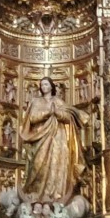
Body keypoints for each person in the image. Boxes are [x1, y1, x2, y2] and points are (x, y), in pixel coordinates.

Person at [18, 76, 88, 206]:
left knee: (58, 165)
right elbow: (32, 118)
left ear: (51, 86)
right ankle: (36, 194)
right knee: (38, 166)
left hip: (58, 139)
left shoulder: (58, 101)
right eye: (42, 85)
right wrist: (47, 113)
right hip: (40, 138)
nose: (44, 87)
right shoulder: (36, 101)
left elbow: (69, 118)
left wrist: (57, 112)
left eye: (46, 84)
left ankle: (56, 195)